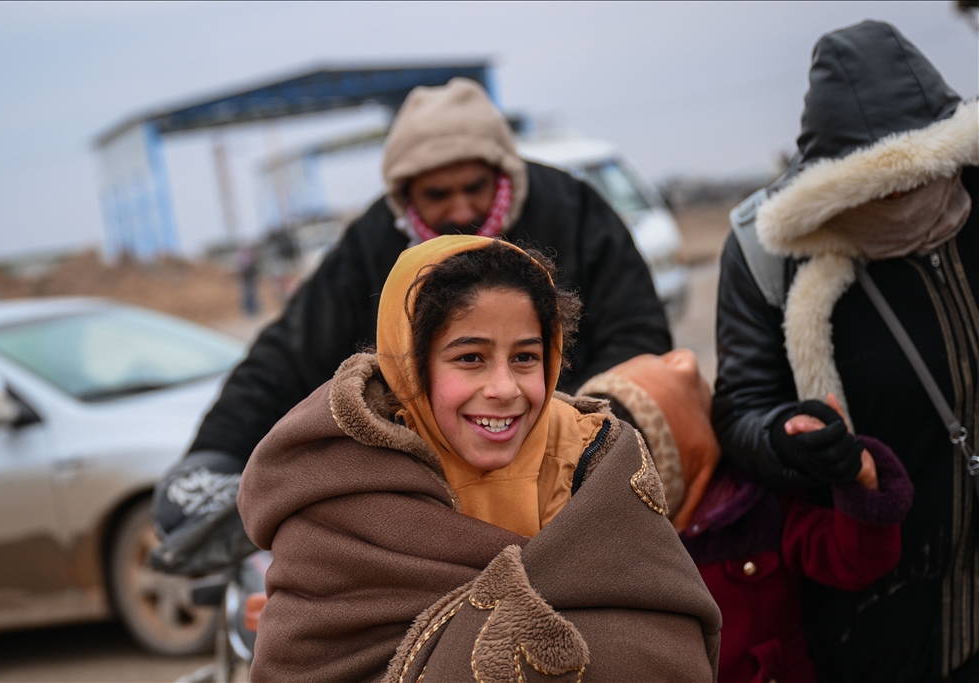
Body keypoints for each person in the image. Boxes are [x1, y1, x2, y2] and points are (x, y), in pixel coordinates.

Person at [153, 77, 671, 545]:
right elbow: (290, 352)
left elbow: (639, 337)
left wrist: (575, 443)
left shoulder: (575, 212)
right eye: (438, 195)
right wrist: (214, 453)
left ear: (503, 173)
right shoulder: (371, 244)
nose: (461, 210)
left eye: (475, 188)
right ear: (405, 199)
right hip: (433, 497)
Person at [237, 236, 721, 682]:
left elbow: (667, 639)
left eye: (526, 358)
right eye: (470, 358)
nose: (504, 389)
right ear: (411, 365)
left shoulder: (596, 460)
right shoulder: (342, 492)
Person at [712, 20, 978, 682]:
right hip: (872, 620)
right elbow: (741, 407)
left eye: (915, 178)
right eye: (873, 188)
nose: (898, 202)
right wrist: (787, 441)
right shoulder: (766, 250)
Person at [582, 352, 914, 682]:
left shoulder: (752, 510)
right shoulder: (600, 546)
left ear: (674, 452)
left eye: (627, 466)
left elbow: (853, 561)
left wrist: (859, 480)